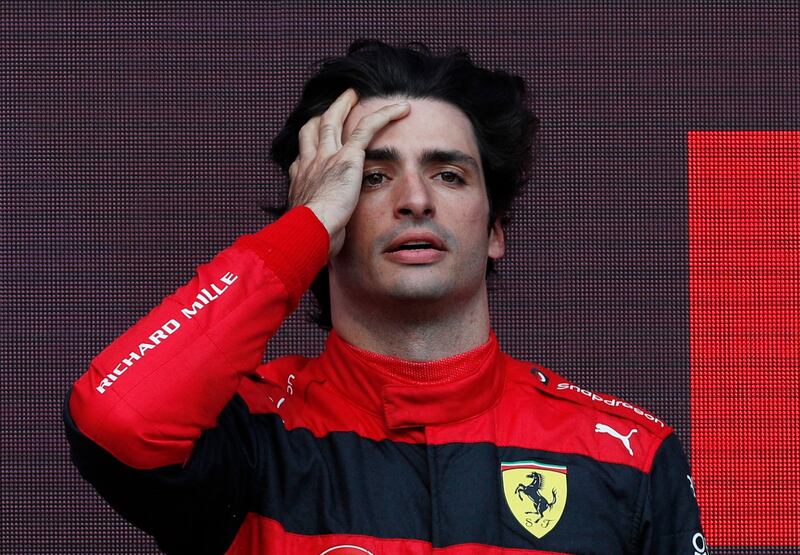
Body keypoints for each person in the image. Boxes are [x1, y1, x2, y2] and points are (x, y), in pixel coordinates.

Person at [64, 40, 706, 554]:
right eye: (371, 177)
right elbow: (119, 417)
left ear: (495, 229)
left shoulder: (627, 454)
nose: (416, 200)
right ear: (329, 217)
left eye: (449, 174)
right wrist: (304, 228)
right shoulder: (251, 436)